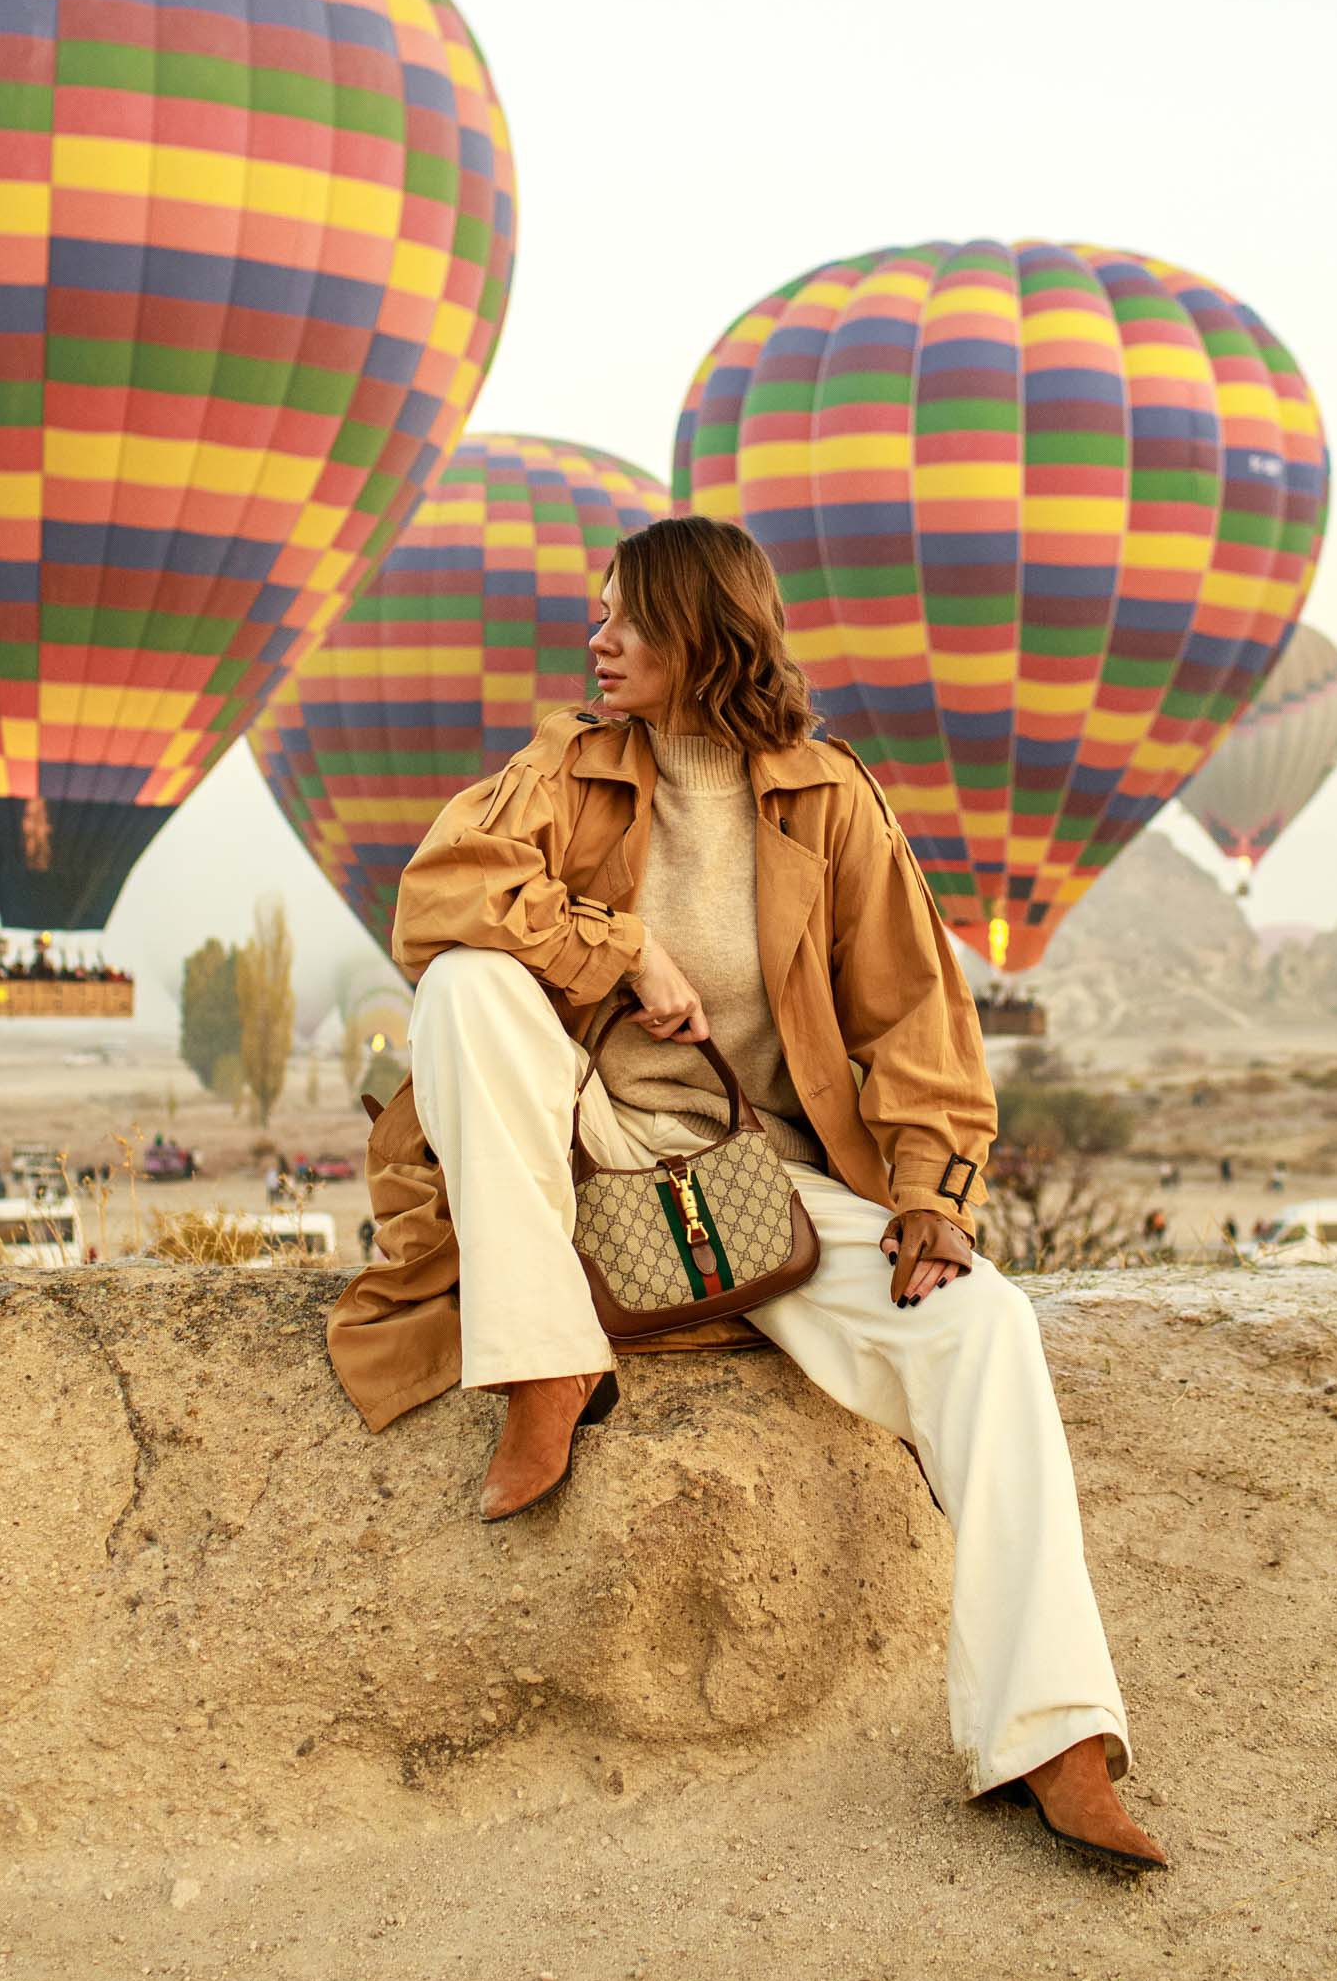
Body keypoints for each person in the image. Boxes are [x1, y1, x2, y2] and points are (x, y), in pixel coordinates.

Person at [327, 518, 1165, 1874]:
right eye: (599, 614)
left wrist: (933, 1194)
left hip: (760, 1185)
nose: (598, 640)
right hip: (580, 1155)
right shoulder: (570, 767)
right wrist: (622, 949)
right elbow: (440, 897)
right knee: (466, 985)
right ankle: (546, 1363)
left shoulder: (827, 801)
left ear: (700, 631)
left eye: (627, 619)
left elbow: (915, 1015)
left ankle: (1053, 1739)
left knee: (986, 1326)